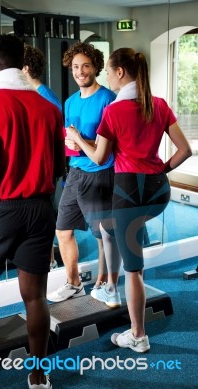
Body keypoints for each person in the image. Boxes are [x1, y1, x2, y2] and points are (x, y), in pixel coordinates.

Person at [66, 47, 192, 353]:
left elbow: (99, 156)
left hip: (128, 193)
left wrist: (78, 137)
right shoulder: (159, 105)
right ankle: (110, 278)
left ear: (120, 72)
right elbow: (185, 150)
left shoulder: (114, 110)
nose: (107, 76)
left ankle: (138, 335)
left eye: (108, 70)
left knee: (133, 270)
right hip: (158, 192)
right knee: (113, 229)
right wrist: (159, 171)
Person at [0, 34, 65, 389]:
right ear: (23, 63)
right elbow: (58, 165)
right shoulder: (49, 108)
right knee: (35, 297)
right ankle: (38, 378)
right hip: (40, 207)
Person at [47, 41, 122, 306]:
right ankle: (74, 283)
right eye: (76, 67)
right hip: (75, 173)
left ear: (96, 68)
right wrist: (71, 143)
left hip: (100, 173)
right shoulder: (69, 102)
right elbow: (71, 139)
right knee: (62, 230)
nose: (80, 71)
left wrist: (79, 139)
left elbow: (108, 146)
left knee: (103, 234)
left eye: (85, 66)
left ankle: (104, 284)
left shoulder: (108, 99)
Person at [22, 43, 63, 270]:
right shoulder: (33, 94)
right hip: (33, 166)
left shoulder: (44, 97)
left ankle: (49, 261)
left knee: (43, 218)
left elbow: (54, 136)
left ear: (25, 69)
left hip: (43, 167)